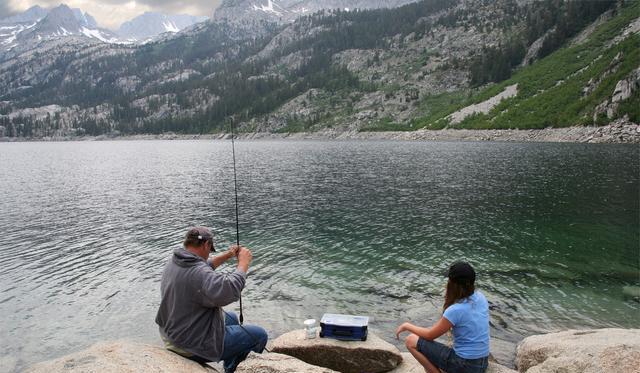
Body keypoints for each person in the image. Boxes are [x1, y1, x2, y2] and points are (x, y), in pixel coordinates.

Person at [155, 227, 268, 373]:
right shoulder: (199, 273)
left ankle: (228, 364)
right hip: (190, 345)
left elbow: (204, 266)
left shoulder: (176, 261)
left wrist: (228, 255)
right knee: (259, 335)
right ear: (206, 244)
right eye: (210, 249)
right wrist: (243, 264)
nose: (209, 253)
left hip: (171, 334)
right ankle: (232, 369)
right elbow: (229, 290)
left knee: (232, 318)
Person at [395, 261, 490, 373]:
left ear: (453, 284)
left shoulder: (456, 310)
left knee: (411, 340)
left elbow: (430, 335)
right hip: (482, 363)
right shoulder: (481, 297)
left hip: (464, 365)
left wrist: (407, 326)